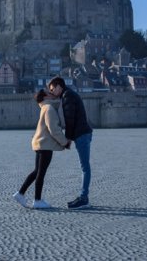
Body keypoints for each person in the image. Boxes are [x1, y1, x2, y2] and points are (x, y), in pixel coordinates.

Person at [13, 89, 70, 209]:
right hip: (45, 145)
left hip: (39, 144)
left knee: (36, 171)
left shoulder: (44, 108)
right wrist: (65, 142)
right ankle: (37, 200)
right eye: (49, 93)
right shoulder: (49, 108)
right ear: (45, 98)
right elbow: (53, 129)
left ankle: (20, 194)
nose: (52, 94)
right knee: (41, 173)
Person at [49, 76, 93, 209]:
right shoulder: (68, 94)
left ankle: (84, 198)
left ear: (59, 87)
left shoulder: (67, 96)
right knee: (84, 166)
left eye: (52, 89)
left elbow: (70, 119)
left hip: (81, 135)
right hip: (83, 134)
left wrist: (67, 140)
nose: (51, 92)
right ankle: (83, 197)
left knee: (85, 167)